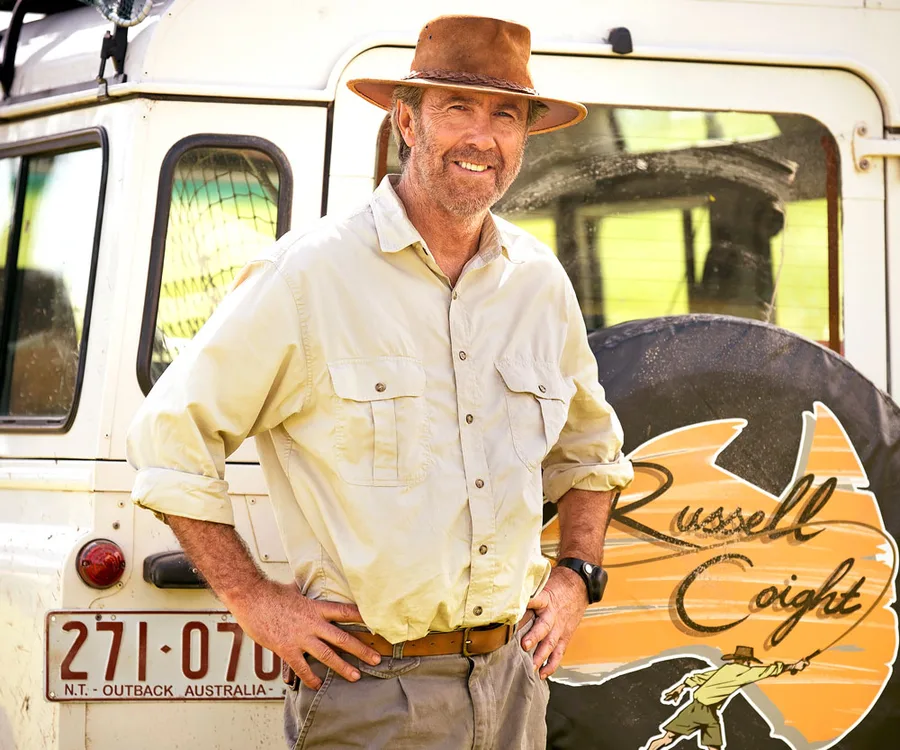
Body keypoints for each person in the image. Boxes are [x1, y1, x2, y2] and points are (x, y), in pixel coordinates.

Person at [127, 14, 633, 749]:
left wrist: (578, 571)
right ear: (407, 120)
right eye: (457, 108)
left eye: (505, 115)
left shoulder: (539, 284)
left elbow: (590, 450)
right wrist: (254, 600)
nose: (482, 138)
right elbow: (168, 441)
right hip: (370, 691)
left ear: (525, 137)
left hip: (514, 682)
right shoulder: (308, 274)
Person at [644, 645, 810, 750]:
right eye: (748, 662)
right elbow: (768, 671)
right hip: (701, 708)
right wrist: (793, 666)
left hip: (704, 709)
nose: (749, 664)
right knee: (671, 738)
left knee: (703, 744)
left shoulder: (725, 670)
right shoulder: (743, 672)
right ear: (746, 661)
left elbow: (699, 678)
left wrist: (680, 688)